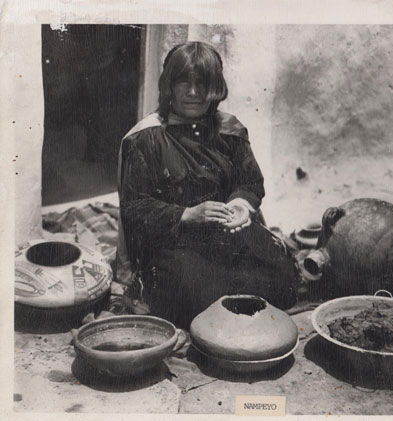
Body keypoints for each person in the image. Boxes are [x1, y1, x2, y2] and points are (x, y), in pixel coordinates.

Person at [117, 42, 298, 328]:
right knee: (198, 295)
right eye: (183, 82)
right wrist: (186, 215)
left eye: (203, 83)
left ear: (216, 88)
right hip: (174, 244)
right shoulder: (146, 138)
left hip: (227, 237)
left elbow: (250, 181)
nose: (192, 92)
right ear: (168, 86)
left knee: (285, 278)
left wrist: (240, 205)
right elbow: (134, 207)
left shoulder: (230, 131)